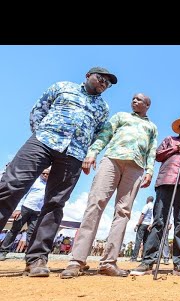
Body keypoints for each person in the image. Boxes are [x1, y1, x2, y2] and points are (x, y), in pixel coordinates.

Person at [0, 66, 117, 277]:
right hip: (43, 142)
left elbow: (99, 133)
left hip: (73, 154)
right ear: (88, 76)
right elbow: (39, 110)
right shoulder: (62, 87)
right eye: (100, 78)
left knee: (55, 203)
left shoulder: (103, 108)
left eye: (107, 84)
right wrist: (41, 134)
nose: (103, 83)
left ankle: (36, 258)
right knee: (11, 186)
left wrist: (89, 153)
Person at [60, 93, 157, 279]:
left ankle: (109, 263)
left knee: (123, 211)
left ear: (147, 105)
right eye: (133, 99)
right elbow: (105, 135)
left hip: (136, 166)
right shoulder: (121, 116)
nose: (134, 101)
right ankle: (76, 261)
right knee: (95, 204)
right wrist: (92, 153)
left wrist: (150, 170)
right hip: (112, 160)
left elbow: (152, 150)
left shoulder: (151, 127)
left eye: (139, 99)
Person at [131, 115, 180, 277]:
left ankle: (179, 262)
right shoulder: (170, 140)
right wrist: (177, 148)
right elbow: (158, 155)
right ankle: (148, 260)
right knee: (159, 221)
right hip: (166, 181)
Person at [0, 168, 50, 261]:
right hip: (25, 208)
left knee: (32, 233)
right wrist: (18, 209)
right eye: (44, 173)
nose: (45, 175)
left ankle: (29, 255)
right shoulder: (34, 182)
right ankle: (3, 251)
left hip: (37, 211)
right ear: (40, 173)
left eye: (47, 174)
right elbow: (23, 195)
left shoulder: (49, 186)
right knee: (15, 230)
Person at [131, 196, 155, 262]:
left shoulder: (146, 206)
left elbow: (142, 215)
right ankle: (144, 258)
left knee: (138, 241)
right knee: (146, 242)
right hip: (149, 225)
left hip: (143, 224)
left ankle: (134, 258)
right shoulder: (154, 207)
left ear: (147, 200)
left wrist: (137, 224)